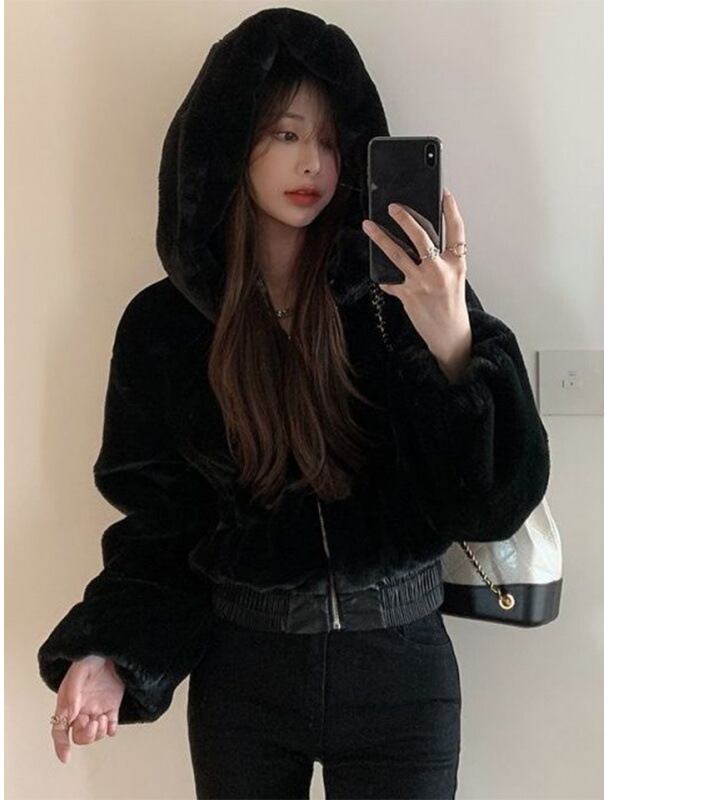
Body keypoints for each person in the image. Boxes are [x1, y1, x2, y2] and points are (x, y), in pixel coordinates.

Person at [37, 7, 551, 798]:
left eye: (330, 140)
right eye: (285, 133)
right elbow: (160, 527)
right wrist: (110, 653)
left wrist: (454, 342)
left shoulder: (404, 297)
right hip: (245, 674)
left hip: (398, 671)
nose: (312, 161)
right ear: (227, 145)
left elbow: (487, 504)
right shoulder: (165, 326)